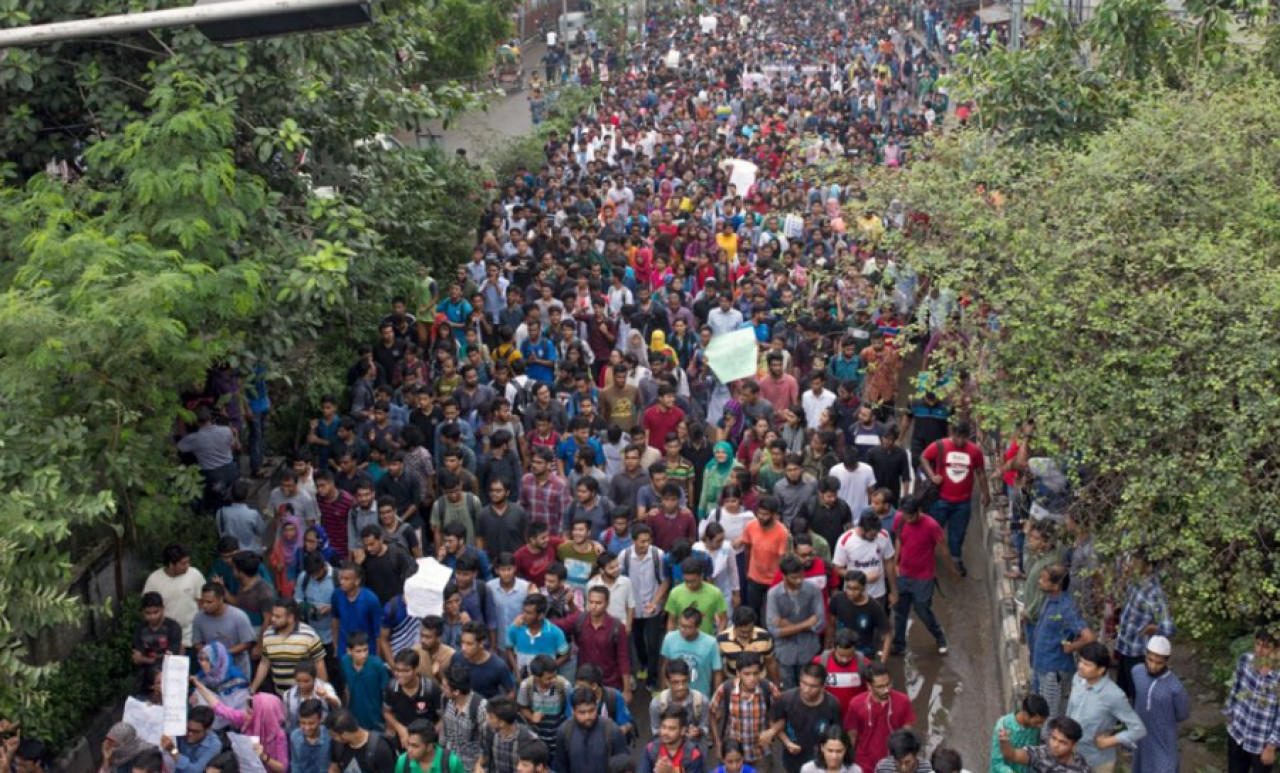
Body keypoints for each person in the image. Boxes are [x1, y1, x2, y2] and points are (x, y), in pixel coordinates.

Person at [918, 420, 989, 576]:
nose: (961, 441)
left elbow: (980, 472)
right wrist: (932, 475)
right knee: (931, 531)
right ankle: (925, 558)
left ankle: (955, 559)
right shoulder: (939, 445)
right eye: (958, 437)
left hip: (962, 502)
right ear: (952, 433)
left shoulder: (974, 451)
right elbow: (923, 457)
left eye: (964, 437)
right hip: (940, 499)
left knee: (958, 533)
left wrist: (986, 493)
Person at [889, 496, 957, 656]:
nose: (908, 519)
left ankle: (939, 636)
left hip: (923, 577)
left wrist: (953, 571)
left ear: (919, 511)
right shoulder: (900, 519)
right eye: (906, 516)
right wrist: (895, 564)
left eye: (911, 516)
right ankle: (899, 644)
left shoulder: (931, 525)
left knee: (923, 611)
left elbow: (943, 548)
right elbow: (899, 539)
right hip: (903, 575)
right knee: (900, 612)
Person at [1065, 642, 1146, 772]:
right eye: (1080, 661)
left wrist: (1110, 740)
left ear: (1101, 670)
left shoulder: (1114, 695)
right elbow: (1070, 709)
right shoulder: (1078, 679)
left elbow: (1139, 729)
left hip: (1098, 761)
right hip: (1073, 755)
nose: (1080, 666)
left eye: (1087, 664)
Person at [1030, 565, 1095, 722]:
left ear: (1056, 585)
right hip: (1041, 665)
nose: (1039, 581)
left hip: (1053, 670)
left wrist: (1071, 647)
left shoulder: (1066, 608)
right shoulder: (1050, 599)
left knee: (1050, 713)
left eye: (1043, 579)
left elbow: (1088, 636)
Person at [1113, 555, 1175, 703]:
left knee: (1137, 693)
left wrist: (1153, 628)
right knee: (1122, 688)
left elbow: (1168, 627)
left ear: (1148, 566)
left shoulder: (1153, 592)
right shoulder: (1135, 583)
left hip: (1138, 652)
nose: (1130, 563)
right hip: (1125, 646)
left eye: (1135, 560)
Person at [188, 683, 289, 773]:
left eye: (250, 712)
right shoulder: (245, 719)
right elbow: (220, 709)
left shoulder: (279, 736)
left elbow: (282, 768)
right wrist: (198, 684)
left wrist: (263, 756)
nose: (245, 713)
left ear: (264, 716)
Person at [767, 662, 843, 773]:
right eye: (804, 683)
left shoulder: (832, 704)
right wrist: (787, 742)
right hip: (793, 760)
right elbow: (774, 721)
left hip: (821, 762)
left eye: (813, 686)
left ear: (822, 687)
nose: (806, 689)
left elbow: (836, 733)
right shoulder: (787, 699)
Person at [709, 652, 778, 773]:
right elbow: (712, 713)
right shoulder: (726, 688)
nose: (752, 678)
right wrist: (718, 744)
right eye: (747, 674)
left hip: (760, 753)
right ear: (738, 673)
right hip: (733, 753)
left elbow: (783, 713)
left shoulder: (768, 688)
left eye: (755, 674)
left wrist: (772, 731)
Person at [1129, 636, 1189, 773]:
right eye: (1150, 660)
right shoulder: (1136, 672)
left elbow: (1182, 714)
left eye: (1159, 662)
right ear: (1145, 655)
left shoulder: (1175, 688)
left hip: (1163, 739)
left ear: (1167, 661)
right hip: (1141, 736)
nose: (1153, 666)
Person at [1223, 628, 1280, 773]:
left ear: (1277, 650)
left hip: (1260, 741)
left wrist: (1271, 746)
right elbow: (1235, 688)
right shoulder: (1246, 661)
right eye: (1258, 644)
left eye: (1266, 647)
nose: (1260, 650)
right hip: (1238, 732)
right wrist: (1230, 714)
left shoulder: (1277, 677)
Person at [843, 662, 915, 773]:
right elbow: (852, 737)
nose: (886, 690)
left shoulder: (903, 701)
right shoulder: (856, 704)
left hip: (893, 764)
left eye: (888, 684)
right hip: (864, 764)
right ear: (868, 686)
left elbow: (907, 735)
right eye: (880, 687)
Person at [766, 555, 825, 689]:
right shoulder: (774, 594)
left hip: (809, 651)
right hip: (785, 653)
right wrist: (806, 623)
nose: (799, 580)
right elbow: (774, 630)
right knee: (788, 692)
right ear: (784, 576)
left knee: (810, 689)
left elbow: (819, 624)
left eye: (801, 576)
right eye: (794, 577)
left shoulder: (813, 590)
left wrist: (786, 624)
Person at [254, 598, 327, 695]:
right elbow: (264, 663)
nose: (272, 619)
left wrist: (322, 690)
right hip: (280, 694)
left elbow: (319, 663)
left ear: (290, 618)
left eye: (278, 616)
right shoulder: (268, 634)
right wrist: (253, 687)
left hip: (305, 695)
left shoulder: (309, 635)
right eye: (273, 615)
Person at [552, 687, 630, 773]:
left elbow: (623, 765)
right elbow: (560, 766)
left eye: (591, 711)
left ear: (596, 706)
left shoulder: (612, 730)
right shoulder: (564, 731)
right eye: (582, 712)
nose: (587, 716)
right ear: (573, 711)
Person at [735, 497, 790, 619]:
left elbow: (782, 559)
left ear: (774, 515)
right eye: (759, 513)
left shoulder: (782, 532)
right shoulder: (751, 526)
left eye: (765, 514)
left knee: (772, 614)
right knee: (753, 612)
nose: (761, 516)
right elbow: (747, 548)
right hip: (754, 578)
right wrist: (747, 571)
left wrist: (780, 580)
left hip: (774, 581)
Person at [143, 543, 206, 648]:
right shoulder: (154, 580)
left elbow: (202, 602)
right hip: (166, 638)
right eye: (183, 563)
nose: (187, 566)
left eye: (188, 562)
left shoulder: (194, 575)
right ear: (171, 564)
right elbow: (148, 609)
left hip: (191, 636)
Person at [191, 583, 256, 679]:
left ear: (221, 599)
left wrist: (221, 654)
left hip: (237, 669)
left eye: (209, 602)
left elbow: (247, 643)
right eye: (202, 602)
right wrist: (209, 655)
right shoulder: (199, 618)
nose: (204, 605)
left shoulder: (238, 616)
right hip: (211, 671)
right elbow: (197, 642)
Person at [383, 650, 443, 752]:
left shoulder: (431, 689)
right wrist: (399, 728)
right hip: (403, 743)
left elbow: (444, 719)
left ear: (416, 669)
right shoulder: (392, 687)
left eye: (406, 671)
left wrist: (427, 738)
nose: (400, 675)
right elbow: (387, 712)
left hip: (427, 746)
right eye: (397, 670)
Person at [660, 607, 724, 699]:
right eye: (681, 625)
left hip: (700, 697)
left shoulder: (711, 643)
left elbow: (717, 672)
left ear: (698, 627)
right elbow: (665, 666)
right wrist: (663, 692)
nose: (683, 629)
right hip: (675, 697)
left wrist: (717, 698)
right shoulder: (669, 639)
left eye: (688, 627)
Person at [650, 659, 712, 754]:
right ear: (667, 682)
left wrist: (698, 731)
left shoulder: (701, 701)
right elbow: (655, 730)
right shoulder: (657, 704)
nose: (681, 687)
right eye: (675, 682)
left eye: (684, 681)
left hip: (696, 752)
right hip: (668, 752)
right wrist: (673, 733)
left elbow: (705, 727)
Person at [442, 662, 490, 772]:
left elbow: (488, 744)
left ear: (456, 692)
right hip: (450, 764)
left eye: (445, 687)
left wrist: (478, 765)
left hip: (471, 766)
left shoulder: (480, 707)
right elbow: (444, 733)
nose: (442, 689)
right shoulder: (445, 699)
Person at [997, 716, 1091, 773]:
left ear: (1073, 745)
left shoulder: (1081, 768)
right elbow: (1012, 755)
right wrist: (1004, 742)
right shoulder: (1042, 754)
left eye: (1062, 742)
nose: (1055, 745)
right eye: (1054, 738)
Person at [813, 630, 873, 717]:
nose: (845, 659)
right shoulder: (819, 663)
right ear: (833, 647)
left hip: (855, 715)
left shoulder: (864, 664)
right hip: (828, 714)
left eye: (849, 656)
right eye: (841, 655)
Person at [331, 562, 383, 660]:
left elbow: (378, 632)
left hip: (366, 653)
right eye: (341, 578)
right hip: (344, 652)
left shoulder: (370, 600)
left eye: (346, 579)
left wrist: (377, 657)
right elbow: (335, 620)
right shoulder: (337, 595)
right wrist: (335, 646)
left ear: (357, 581)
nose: (342, 582)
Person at [453, 620, 517, 699]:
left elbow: (511, 692)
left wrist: (497, 709)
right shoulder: (457, 658)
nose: (463, 648)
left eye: (469, 644)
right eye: (462, 642)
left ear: (481, 644)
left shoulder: (498, 666)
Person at [717, 607, 782, 685]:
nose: (746, 635)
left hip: (759, 681)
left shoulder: (764, 636)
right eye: (742, 632)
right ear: (735, 626)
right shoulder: (722, 639)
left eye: (749, 631)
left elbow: (770, 662)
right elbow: (718, 667)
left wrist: (777, 683)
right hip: (733, 682)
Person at [665, 558, 729, 636]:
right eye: (686, 581)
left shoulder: (715, 593)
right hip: (681, 640)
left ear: (701, 576)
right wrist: (670, 639)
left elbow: (723, 619)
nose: (690, 585)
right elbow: (672, 621)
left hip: (706, 641)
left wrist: (718, 639)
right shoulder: (675, 593)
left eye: (693, 581)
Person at [342, 630, 389, 732]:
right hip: (354, 719)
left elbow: (386, 693)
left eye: (365, 650)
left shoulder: (377, 665)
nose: (363, 655)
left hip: (375, 720)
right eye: (358, 651)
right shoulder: (344, 662)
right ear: (349, 651)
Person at [990, 695, 1050, 773]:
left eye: (1042, 722)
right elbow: (997, 763)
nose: (1040, 726)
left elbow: (1034, 754)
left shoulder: (1035, 728)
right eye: (1037, 722)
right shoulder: (1003, 727)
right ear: (1025, 714)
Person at [639, 706, 707, 773]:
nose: (665, 732)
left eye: (671, 728)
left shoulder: (693, 754)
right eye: (663, 727)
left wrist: (672, 771)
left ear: (682, 731)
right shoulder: (651, 749)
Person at [328, 708, 397, 773]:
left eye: (333, 735)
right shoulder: (337, 745)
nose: (332, 738)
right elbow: (334, 767)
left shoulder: (380, 749)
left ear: (345, 735)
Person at [481, 696, 538, 773]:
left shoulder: (528, 738)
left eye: (491, 717)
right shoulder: (488, 730)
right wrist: (478, 765)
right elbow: (485, 753)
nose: (487, 719)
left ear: (502, 723)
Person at [132, 592, 185, 674]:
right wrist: (151, 660)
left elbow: (171, 656)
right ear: (142, 612)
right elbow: (136, 658)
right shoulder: (140, 629)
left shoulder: (172, 627)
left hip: (169, 670)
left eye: (156, 612)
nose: (152, 616)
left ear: (162, 609)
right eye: (148, 613)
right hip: (146, 672)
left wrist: (146, 659)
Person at [159, 706, 220, 773]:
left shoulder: (213, 745)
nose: (190, 734)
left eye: (196, 731)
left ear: (208, 730)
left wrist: (173, 751)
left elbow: (195, 770)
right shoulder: (180, 728)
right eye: (188, 729)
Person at [289, 700, 331, 773]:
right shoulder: (295, 737)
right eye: (303, 723)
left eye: (311, 723)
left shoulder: (330, 737)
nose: (307, 728)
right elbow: (295, 765)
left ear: (320, 720)